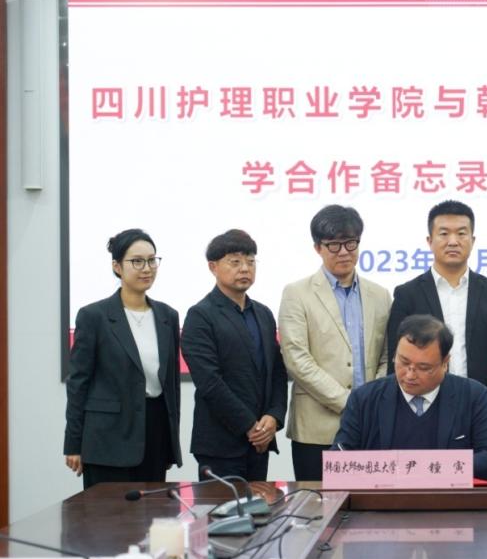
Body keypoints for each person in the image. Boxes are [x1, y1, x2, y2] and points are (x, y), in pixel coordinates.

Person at [387, 200, 487, 445]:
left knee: (481, 469)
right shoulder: (407, 294)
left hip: (481, 409)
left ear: (472, 240)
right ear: (430, 241)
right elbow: (396, 361)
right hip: (422, 408)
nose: (453, 241)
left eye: (461, 233)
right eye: (444, 233)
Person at [279, 205, 391, 481]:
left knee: (371, 505)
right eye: (333, 245)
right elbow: (296, 359)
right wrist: (350, 403)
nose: (344, 252)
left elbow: (387, 357)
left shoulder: (380, 295)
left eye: (351, 243)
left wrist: (370, 402)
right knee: (316, 502)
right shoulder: (297, 293)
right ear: (318, 247)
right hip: (317, 428)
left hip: (372, 426)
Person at [63, 229, 182, 488]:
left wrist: (171, 444)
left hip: (155, 431)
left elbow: (172, 384)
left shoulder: (168, 316)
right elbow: (78, 383)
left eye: (152, 260)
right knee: (107, 513)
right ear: (117, 266)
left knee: (151, 511)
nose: (146, 268)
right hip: (107, 437)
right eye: (137, 261)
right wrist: (73, 443)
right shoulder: (94, 316)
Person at [334, 315, 487, 480]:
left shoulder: (473, 396)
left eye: (423, 367)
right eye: (403, 362)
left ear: (445, 362)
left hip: (448, 498)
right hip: (381, 497)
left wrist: (430, 467)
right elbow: (339, 460)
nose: (410, 375)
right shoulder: (364, 398)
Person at [181, 230, 288, 481]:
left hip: (260, 443)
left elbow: (277, 372)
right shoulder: (200, 315)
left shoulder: (263, 313)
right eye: (235, 262)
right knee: (223, 507)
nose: (245, 269)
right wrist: (249, 426)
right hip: (220, 445)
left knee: (259, 506)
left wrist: (274, 416)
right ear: (213, 267)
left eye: (250, 261)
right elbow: (209, 382)